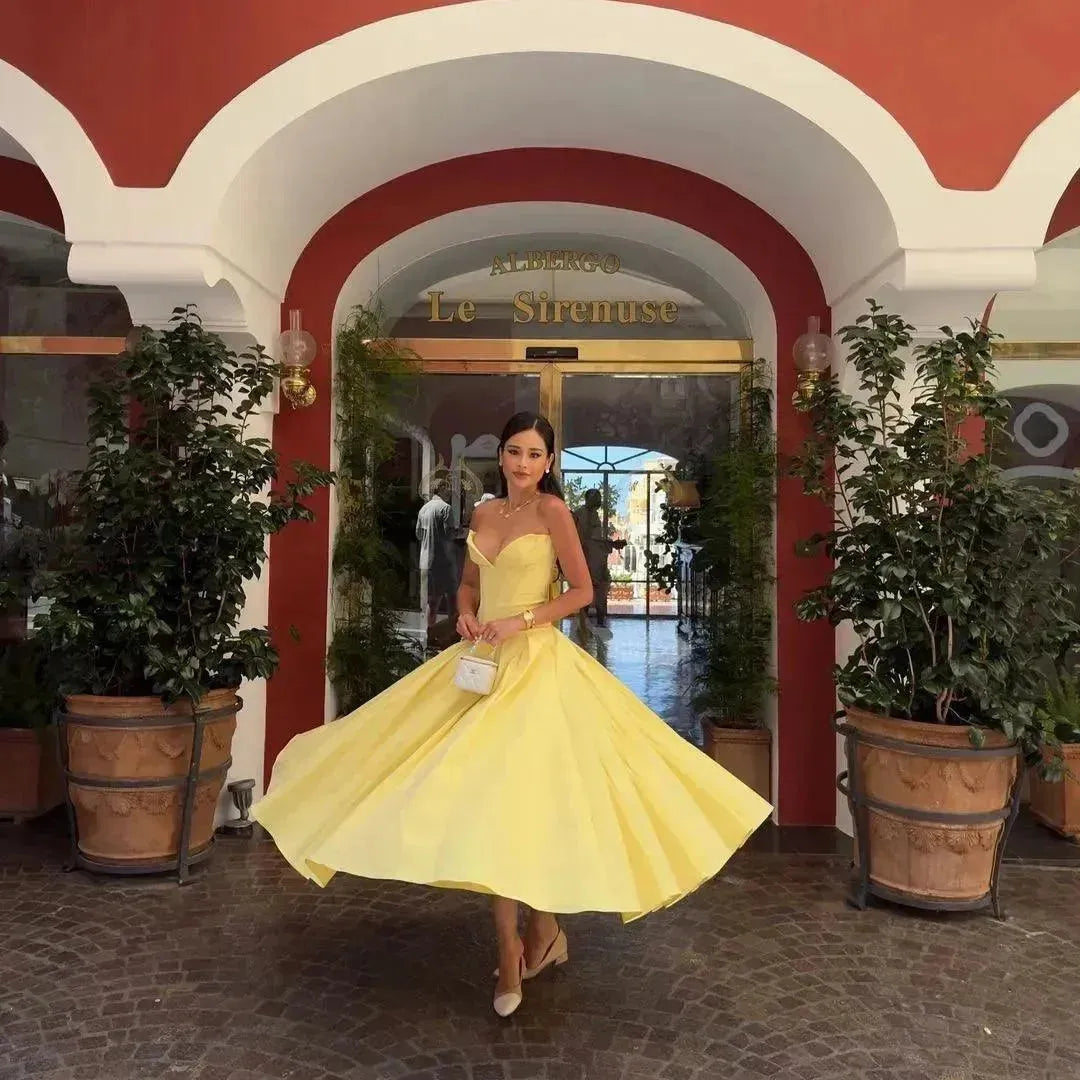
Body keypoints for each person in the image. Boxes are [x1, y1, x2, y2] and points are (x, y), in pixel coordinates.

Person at [252, 412, 771, 1019]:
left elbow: (582, 592)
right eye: (513, 452)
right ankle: (517, 944)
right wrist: (469, 615)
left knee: (524, 802)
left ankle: (535, 940)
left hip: (536, 666)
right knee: (481, 797)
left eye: (534, 454)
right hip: (480, 665)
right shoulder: (483, 514)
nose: (523, 463)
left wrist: (518, 621)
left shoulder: (554, 513)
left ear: (549, 463)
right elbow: (470, 584)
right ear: (500, 457)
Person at [572, 488, 625, 629]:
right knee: (586, 592)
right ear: (588, 499)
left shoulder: (594, 515)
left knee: (601, 591)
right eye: (595, 498)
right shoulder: (578, 515)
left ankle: (600, 624)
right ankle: (583, 625)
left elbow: (596, 540)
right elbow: (582, 538)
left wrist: (611, 544)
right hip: (585, 559)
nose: (598, 501)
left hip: (597, 560)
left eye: (599, 498)